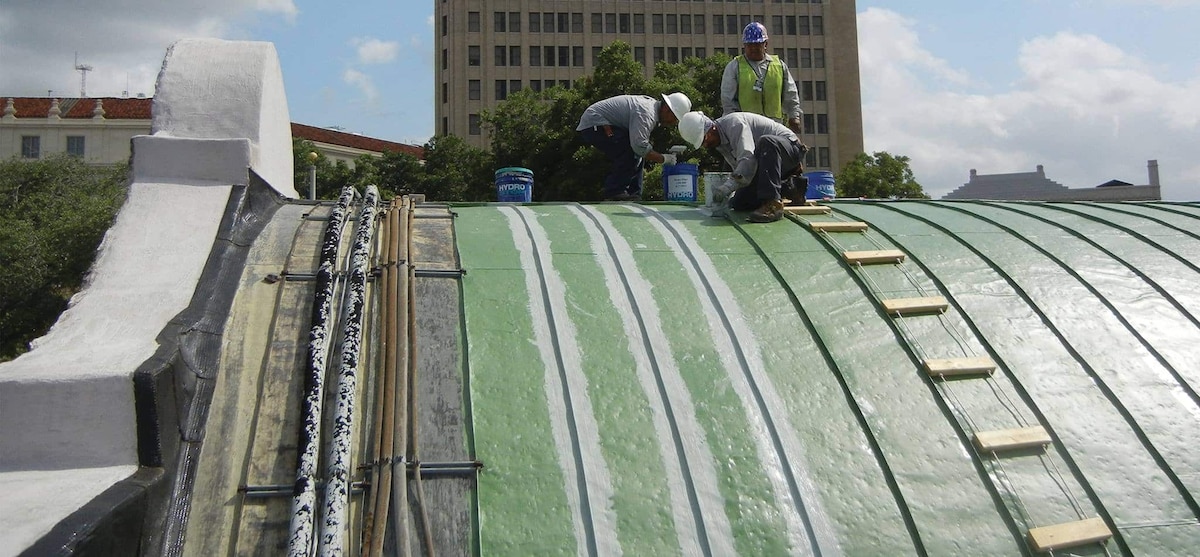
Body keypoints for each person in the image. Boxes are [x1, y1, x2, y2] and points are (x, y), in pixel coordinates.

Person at [679, 111, 808, 223]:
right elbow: (744, 172)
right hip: (767, 164)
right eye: (702, 143)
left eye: (704, 139)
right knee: (739, 203)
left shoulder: (734, 124)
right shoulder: (720, 142)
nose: (705, 145)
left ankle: (772, 205)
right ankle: (792, 187)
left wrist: (728, 186)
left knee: (766, 141)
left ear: (711, 128)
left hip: (790, 149)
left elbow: (747, 158)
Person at [576, 92, 691, 201]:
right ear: (667, 109)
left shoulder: (651, 110)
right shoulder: (647, 114)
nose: (674, 122)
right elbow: (639, 147)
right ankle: (615, 192)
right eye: (675, 118)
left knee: (637, 152)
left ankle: (634, 194)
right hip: (595, 123)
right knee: (631, 150)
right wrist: (663, 158)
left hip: (601, 122)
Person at [720, 22, 803, 135]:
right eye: (750, 45)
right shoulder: (735, 66)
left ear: (765, 44)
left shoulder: (779, 65)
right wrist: (734, 125)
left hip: (774, 127)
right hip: (747, 127)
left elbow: (791, 93)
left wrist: (794, 116)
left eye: (757, 44)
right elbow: (728, 101)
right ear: (744, 45)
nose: (753, 48)